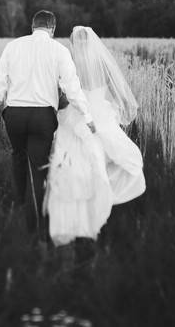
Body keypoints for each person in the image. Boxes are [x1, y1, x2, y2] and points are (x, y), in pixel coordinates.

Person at [0, 11, 95, 240]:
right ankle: (33, 221)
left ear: (32, 26)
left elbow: (0, 81)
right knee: (38, 166)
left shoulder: (13, 47)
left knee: (18, 156)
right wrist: (87, 115)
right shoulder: (59, 51)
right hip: (42, 117)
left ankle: (20, 202)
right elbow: (72, 87)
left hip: (14, 114)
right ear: (53, 28)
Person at [44, 26, 145, 247]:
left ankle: (71, 219)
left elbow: (64, 94)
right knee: (100, 159)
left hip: (76, 115)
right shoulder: (102, 63)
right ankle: (98, 210)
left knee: (71, 163)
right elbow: (119, 90)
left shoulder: (70, 63)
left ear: (73, 42)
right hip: (100, 113)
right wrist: (116, 108)